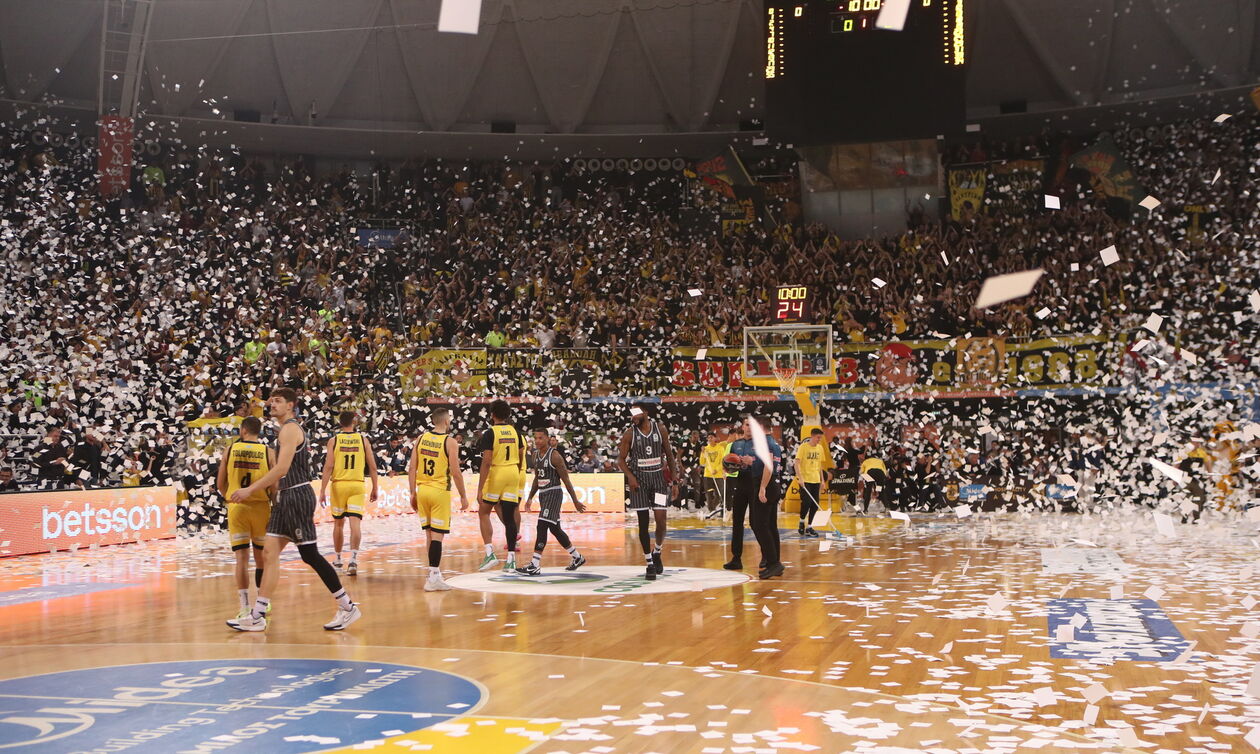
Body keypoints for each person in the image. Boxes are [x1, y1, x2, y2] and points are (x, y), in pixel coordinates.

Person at [226, 388, 361, 632]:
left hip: (297, 495)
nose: (272, 404)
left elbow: (281, 469)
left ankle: (347, 606)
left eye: (278, 401)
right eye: (271, 400)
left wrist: (250, 490)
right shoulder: (284, 430)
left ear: (291, 405)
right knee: (269, 554)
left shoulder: (290, 429)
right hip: (285, 497)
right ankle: (257, 614)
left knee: (309, 555)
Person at [215, 416, 276, 619]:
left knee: (241, 559)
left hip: (237, 507)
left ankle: (243, 606)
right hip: (260, 508)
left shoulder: (230, 449)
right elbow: (274, 486)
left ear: (243, 431)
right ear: (259, 432)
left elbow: (220, 483)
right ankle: (261, 604)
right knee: (261, 560)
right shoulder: (268, 452)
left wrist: (228, 497)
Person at [409, 407, 469, 591]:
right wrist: (463, 496)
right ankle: (434, 577)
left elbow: (412, 468)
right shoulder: (450, 442)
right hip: (439, 491)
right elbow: (456, 472)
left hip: (423, 490)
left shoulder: (421, 439)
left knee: (429, 534)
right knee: (437, 536)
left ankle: (433, 573)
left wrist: (412, 493)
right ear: (446, 421)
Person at [617, 403, 677, 581]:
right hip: (639, 483)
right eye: (631, 413)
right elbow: (621, 459)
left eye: (636, 413)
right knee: (643, 524)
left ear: (646, 413)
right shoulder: (630, 433)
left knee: (661, 520)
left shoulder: (660, 429)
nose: (633, 416)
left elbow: (669, 455)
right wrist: (630, 477)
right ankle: (649, 563)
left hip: (658, 481)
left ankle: (657, 551)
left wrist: (674, 480)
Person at [319, 411, 380, 576]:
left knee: (338, 524)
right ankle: (353, 560)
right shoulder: (362, 440)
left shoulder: (334, 440)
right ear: (354, 422)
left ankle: (338, 559)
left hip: (339, 485)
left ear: (340, 423)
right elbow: (372, 466)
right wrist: (375, 486)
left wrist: (322, 489)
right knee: (355, 524)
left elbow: (329, 466)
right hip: (357, 484)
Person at [519, 427, 587, 575]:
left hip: (554, 493)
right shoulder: (535, 455)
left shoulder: (555, 456)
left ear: (547, 439)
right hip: (543, 495)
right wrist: (530, 497)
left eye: (540, 438)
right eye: (535, 438)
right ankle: (577, 557)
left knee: (541, 526)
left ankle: (535, 564)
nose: (537, 441)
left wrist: (575, 500)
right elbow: (537, 478)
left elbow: (566, 480)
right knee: (555, 529)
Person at [724, 415, 784, 579]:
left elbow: (767, 466)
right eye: (747, 425)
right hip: (749, 483)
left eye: (754, 426)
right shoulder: (736, 444)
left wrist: (762, 487)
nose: (751, 428)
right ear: (742, 427)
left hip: (760, 483)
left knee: (761, 524)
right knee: (756, 523)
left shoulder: (765, 443)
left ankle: (772, 561)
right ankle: (769, 561)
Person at [475, 399, 525, 571]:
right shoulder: (515, 432)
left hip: (497, 473)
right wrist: (515, 473)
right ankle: (511, 559)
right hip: (512, 473)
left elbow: (487, 462)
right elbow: (520, 457)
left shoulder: (490, 433)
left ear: (492, 414)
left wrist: (480, 488)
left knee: (484, 512)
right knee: (510, 517)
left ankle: (489, 553)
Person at [795, 428, 826, 537]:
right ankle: (802, 521)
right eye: (818, 437)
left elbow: (820, 466)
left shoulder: (820, 448)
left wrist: (823, 480)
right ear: (812, 436)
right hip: (805, 480)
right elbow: (796, 463)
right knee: (806, 502)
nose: (819, 440)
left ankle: (809, 526)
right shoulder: (803, 447)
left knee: (815, 504)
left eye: (820, 438)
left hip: (816, 479)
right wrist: (800, 478)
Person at [699, 430, 728, 515]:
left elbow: (722, 461)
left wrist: (717, 469)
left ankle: (714, 508)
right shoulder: (706, 449)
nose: (709, 439)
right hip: (708, 475)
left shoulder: (720, 448)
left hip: (718, 475)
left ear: (715, 438)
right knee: (708, 494)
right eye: (708, 437)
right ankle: (711, 511)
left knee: (720, 494)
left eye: (711, 437)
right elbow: (702, 462)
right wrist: (702, 453)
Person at [859, 448, 890, 515]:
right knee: (881, 490)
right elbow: (885, 472)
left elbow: (861, 472)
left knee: (868, 491)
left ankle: (865, 510)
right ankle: (887, 508)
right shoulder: (880, 460)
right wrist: (879, 483)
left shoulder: (865, 461)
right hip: (880, 473)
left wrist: (868, 483)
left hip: (870, 473)